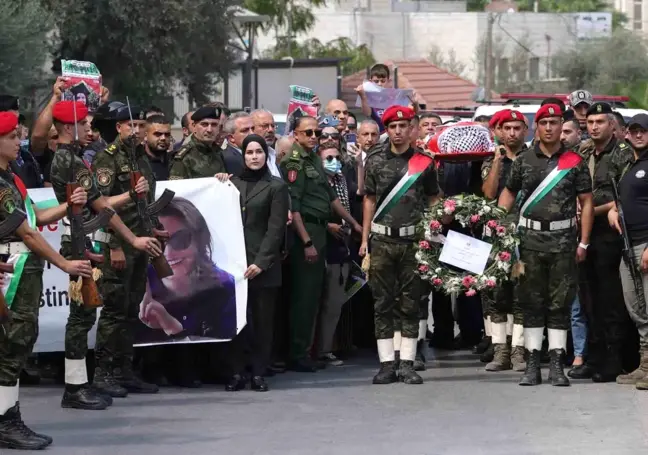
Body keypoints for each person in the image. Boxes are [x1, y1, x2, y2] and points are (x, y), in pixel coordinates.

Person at [48, 100, 163, 410]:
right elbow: (102, 204)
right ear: (67, 127)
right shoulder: (68, 161)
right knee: (82, 316)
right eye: (83, 123)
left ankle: (94, 379)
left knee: (94, 313)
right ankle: (79, 385)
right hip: (82, 243)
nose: (89, 127)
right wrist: (126, 239)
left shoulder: (75, 158)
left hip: (91, 240)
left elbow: (100, 203)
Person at [0, 112, 94, 450]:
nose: (18, 142)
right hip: (13, 267)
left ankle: (8, 416)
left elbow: (36, 217)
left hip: (25, 268)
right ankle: (6, 422)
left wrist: (70, 206)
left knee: (19, 342)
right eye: (11, 137)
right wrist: (64, 263)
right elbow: (26, 232)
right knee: (13, 344)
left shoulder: (11, 177)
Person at [498, 103, 594, 387]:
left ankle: (555, 364)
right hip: (529, 243)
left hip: (564, 242)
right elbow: (508, 193)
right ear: (537, 127)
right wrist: (499, 226)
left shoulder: (574, 161)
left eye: (554, 122)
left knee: (559, 305)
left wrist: (584, 243)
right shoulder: (524, 161)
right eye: (544, 122)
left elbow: (587, 203)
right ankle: (531, 364)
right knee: (531, 303)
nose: (550, 127)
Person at [361, 105, 440, 385]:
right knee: (382, 302)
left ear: (411, 129)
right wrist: (364, 240)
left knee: (411, 302)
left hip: (412, 241)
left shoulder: (424, 162)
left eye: (402, 126)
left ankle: (406, 363)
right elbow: (369, 200)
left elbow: (433, 198)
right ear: (387, 129)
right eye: (392, 127)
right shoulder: (374, 160)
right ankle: (386, 364)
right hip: (381, 240)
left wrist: (436, 224)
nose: (397, 131)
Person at [91, 104, 164, 396]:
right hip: (118, 245)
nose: (136, 130)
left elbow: (144, 202)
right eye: (130, 125)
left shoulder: (140, 159)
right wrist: (116, 245)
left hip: (141, 242)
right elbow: (103, 206)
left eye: (140, 126)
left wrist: (154, 227)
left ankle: (124, 370)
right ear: (118, 128)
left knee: (132, 308)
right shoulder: (106, 159)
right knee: (114, 310)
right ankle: (103, 372)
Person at [280, 116, 362, 372]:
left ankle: (306, 350)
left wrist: (355, 224)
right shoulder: (294, 164)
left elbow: (331, 199)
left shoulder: (314, 159)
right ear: (295, 134)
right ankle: (297, 353)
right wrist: (306, 242)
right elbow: (294, 209)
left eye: (316, 132)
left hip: (319, 229)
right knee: (304, 297)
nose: (314, 136)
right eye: (308, 132)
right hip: (307, 233)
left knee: (314, 295)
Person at [215, 134, 288, 391]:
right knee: (237, 321)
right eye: (249, 152)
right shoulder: (232, 183)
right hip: (235, 265)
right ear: (243, 155)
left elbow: (276, 229)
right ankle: (236, 372)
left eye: (259, 152)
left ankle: (258, 372)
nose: (254, 157)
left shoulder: (276, 186)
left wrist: (262, 262)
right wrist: (218, 182)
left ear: (265, 156)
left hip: (262, 266)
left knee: (263, 321)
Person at [573, 103, 635, 383]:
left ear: (612, 125)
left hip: (609, 233)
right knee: (588, 298)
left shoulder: (623, 154)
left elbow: (622, 197)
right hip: (582, 233)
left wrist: (589, 210)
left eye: (600, 121)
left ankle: (614, 360)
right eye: (590, 121)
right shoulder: (582, 152)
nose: (594, 126)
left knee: (610, 299)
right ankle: (594, 356)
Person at [138, 197, 237, 342]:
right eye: (157, 243)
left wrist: (174, 329)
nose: (168, 254)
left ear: (200, 241)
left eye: (180, 240)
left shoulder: (225, 287)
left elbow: (226, 349)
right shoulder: (138, 283)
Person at [481, 110, 528, 372]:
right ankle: (501, 351)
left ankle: (519, 351)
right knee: (497, 295)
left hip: (525, 235)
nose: (512, 133)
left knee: (521, 296)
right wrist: (498, 161)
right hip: (497, 236)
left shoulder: (533, 159)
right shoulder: (491, 161)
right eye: (507, 128)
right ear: (500, 131)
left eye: (517, 128)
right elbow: (488, 194)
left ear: (525, 130)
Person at [609, 113, 648, 390]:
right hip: (628, 245)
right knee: (637, 309)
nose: (638, 135)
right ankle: (645, 365)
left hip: (645, 245)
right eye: (633, 130)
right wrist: (613, 210)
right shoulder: (628, 165)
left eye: (643, 131)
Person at [316, 146, 355, 367]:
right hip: (323, 250)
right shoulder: (316, 184)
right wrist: (327, 225)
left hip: (342, 250)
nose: (334, 162)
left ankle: (330, 347)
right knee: (324, 305)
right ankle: (320, 350)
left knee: (335, 304)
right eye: (328, 158)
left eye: (337, 158)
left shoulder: (341, 182)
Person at [169, 106, 228, 179]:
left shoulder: (219, 152)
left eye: (214, 125)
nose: (209, 130)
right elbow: (176, 188)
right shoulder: (184, 157)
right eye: (204, 124)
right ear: (194, 127)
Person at [251, 109, 281, 178]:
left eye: (273, 126)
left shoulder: (272, 154)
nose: (270, 130)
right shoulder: (246, 158)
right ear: (252, 129)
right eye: (264, 126)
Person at [222, 112, 254, 177]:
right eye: (245, 130)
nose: (252, 133)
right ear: (231, 138)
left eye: (253, 129)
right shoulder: (229, 159)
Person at [144, 115, 173, 181]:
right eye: (158, 134)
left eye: (167, 134)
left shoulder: (175, 161)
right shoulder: (137, 163)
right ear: (145, 136)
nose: (163, 138)